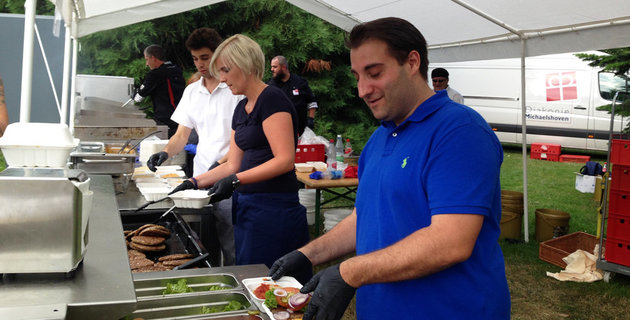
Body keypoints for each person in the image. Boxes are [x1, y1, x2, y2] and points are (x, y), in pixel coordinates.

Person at [268, 17, 510, 320]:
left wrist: (349, 272)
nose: (362, 90)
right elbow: (365, 219)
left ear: (411, 62)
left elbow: (452, 241)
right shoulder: (380, 137)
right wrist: (307, 254)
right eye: (358, 76)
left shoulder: (460, 131)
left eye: (374, 73)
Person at [170, 34, 311, 282]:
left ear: (245, 65)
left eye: (226, 70)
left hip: (274, 208)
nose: (222, 78)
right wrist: (194, 182)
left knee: (276, 281)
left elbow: (285, 160)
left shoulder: (272, 99)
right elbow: (233, 163)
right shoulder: (241, 106)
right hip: (247, 207)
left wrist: (236, 181)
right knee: (250, 276)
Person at [146, 28, 243, 266]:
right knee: (201, 243)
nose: (200, 64)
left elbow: (242, 138)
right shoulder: (192, 91)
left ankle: (234, 284)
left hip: (230, 176)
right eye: (195, 58)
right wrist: (165, 153)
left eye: (205, 57)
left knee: (231, 242)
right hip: (200, 178)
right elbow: (181, 134)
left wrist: (220, 164)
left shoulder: (234, 90)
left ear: (219, 55)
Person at [134, 44, 186, 137]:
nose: (146, 64)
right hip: (181, 117)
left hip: (165, 120)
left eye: (147, 59)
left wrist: (136, 92)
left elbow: (138, 98)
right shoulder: (176, 69)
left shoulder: (155, 74)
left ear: (153, 58)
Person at [267, 55, 319, 136]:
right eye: (272, 67)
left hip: (300, 131)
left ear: (284, 67)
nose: (272, 69)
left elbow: (312, 102)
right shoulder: (270, 85)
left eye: (275, 67)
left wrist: (311, 119)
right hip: (278, 131)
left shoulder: (300, 82)